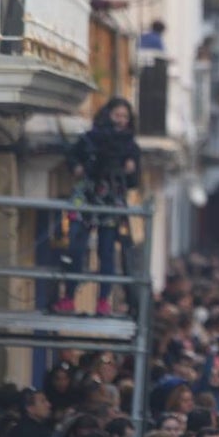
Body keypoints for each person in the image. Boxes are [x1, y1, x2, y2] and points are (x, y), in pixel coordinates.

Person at [53, 97, 141, 316]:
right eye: (117, 115)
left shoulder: (130, 146)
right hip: (87, 196)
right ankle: (69, 297)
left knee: (107, 252)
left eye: (124, 117)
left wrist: (129, 170)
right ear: (107, 114)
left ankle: (103, 301)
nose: (120, 121)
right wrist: (78, 167)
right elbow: (72, 157)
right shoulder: (90, 139)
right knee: (76, 247)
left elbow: (134, 181)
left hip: (111, 200)